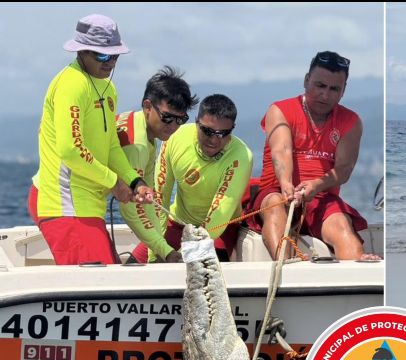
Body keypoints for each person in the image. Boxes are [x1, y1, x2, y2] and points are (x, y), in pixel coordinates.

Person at [28, 14, 153, 265]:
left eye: (115, 56)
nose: (111, 63)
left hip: (88, 206)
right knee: (102, 281)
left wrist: (134, 180)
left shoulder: (108, 88)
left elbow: (111, 146)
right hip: (64, 204)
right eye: (103, 56)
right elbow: (71, 150)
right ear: (82, 51)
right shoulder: (72, 85)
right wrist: (114, 183)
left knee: (109, 276)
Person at [243, 51, 378, 261]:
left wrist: (315, 186)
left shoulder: (351, 121)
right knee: (276, 205)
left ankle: (357, 268)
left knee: (342, 226)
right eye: (320, 85)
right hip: (277, 191)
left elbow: (343, 169)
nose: (325, 95)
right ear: (306, 80)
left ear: (343, 91)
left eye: (334, 89)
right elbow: (282, 151)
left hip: (321, 196)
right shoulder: (280, 110)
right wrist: (286, 184)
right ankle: (287, 267)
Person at [130, 94, 253, 263]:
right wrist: (157, 252)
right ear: (196, 123)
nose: (214, 140)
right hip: (179, 223)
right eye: (207, 131)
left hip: (220, 230)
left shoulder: (242, 156)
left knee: (206, 272)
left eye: (223, 133)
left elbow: (220, 214)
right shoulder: (175, 137)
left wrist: (185, 253)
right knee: (134, 266)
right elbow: (160, 198)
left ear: (232, 128)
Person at [117, 67, 198, 263]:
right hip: (67, 204)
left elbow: (148, 201)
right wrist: (166, 251)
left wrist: (158, 252)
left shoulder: (139, 125)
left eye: (181, 120)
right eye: (167, 117)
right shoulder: (137, 145)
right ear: (147, 106)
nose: (173, 126)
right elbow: (131, 208)